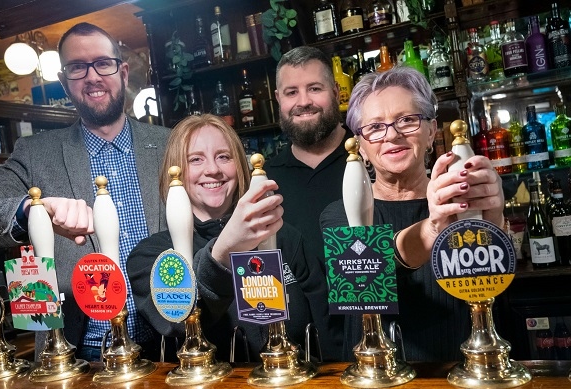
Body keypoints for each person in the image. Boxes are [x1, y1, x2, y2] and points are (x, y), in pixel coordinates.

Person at [0, 22, 170, 362]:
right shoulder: (36, 154)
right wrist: (31, 213)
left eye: (103, 63)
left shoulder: (171, 145)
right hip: (80, 356)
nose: (92, 76)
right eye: (77, 67)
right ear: (64, 82)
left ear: (123, 73)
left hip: (173, 346)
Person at [320, 66, 505, 362]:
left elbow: (495, 287)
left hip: (463, 368)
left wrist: (492, 219)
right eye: (375, 127)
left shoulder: (461, 200)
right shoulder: (339, 214)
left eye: (407, 120)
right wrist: (433, 228)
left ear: (431, 132)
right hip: (374, 378)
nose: (392, 136)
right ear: (361, 147)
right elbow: (367, 273)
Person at [127, 114, 342, 362]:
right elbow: (175, 323)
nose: (213, 170)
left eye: (224, 156)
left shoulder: (284, 237)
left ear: (240, 166)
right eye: (195, 159)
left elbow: (328, 332)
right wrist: (223, 252)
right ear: (175, 174)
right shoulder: (153, 255)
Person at [266, 46, 352, 266]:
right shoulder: (265, 181)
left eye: (314, 88)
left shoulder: (371, 159)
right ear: (278, 98)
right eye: (291, 92)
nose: (303, 102)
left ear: (334, 91)